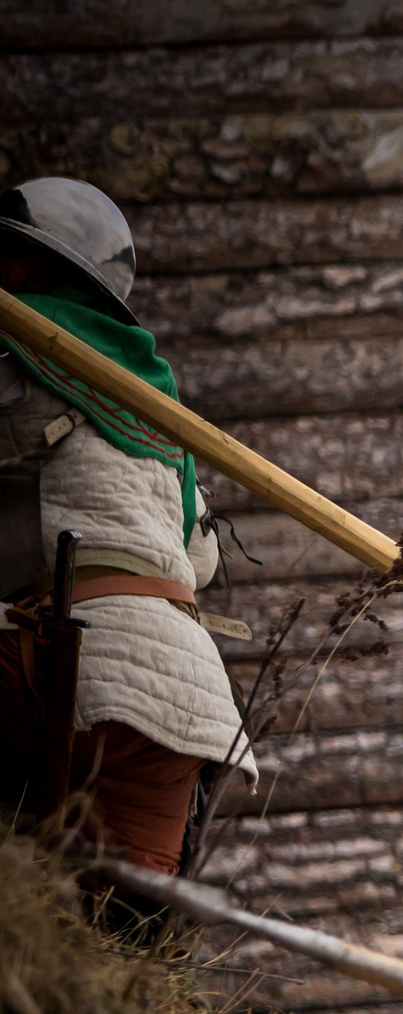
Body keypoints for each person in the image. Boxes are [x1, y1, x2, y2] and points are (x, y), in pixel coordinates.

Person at [0, 177, 251, 873]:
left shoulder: (17, 340)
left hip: (73, 659)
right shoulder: (153, 394)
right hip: (188, 696)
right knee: (126, 926)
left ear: (36, 266)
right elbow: (199, 561)